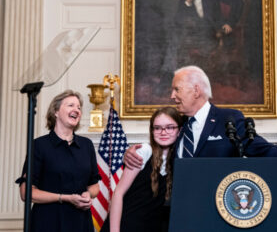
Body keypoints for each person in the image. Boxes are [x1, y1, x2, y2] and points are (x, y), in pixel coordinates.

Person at [124, 66, 277, 169]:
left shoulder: (228, 119)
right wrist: (131, 153)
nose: (172, 96)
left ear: (196, 91)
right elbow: (160, 148)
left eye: (177, 89)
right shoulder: (177, 124)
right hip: (180, 208)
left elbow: (260, 149)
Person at [16, 90, 100, 232]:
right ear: (55, 111)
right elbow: (26, 192)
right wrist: (64, 198)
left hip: (80, 222)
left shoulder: (87, 145)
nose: (76, 110)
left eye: (79, 107)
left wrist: (88, 194)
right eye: (70, 105)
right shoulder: (39, 146)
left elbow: (94, 186)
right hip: (47, 222)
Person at [101, 107, 182, 232]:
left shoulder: (178, 158)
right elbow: (119, 193)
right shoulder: (144, 151)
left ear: (179, 130)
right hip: (126, 224)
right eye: (157, 128)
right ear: (152, 131)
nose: (163, 132)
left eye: (170, 127)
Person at [173, 0, 244, 71]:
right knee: (178, 41)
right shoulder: (183, 2)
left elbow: (238, 1)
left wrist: (230, 22)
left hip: (215, 34)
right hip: (193, 37)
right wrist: (188, 3)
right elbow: (178, 22)